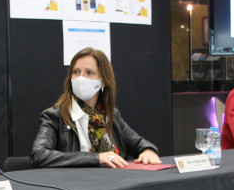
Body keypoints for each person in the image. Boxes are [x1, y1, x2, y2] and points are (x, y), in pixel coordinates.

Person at [31, 48, 161, 168]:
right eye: (76, 72)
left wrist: (148, 151)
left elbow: (139, 143)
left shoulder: (111, 115)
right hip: (75, 187)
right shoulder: (54, 116)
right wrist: (96, 158)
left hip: (115, 183)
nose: (81, 78)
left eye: (89, 73)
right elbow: (39, 155)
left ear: (103, 81)